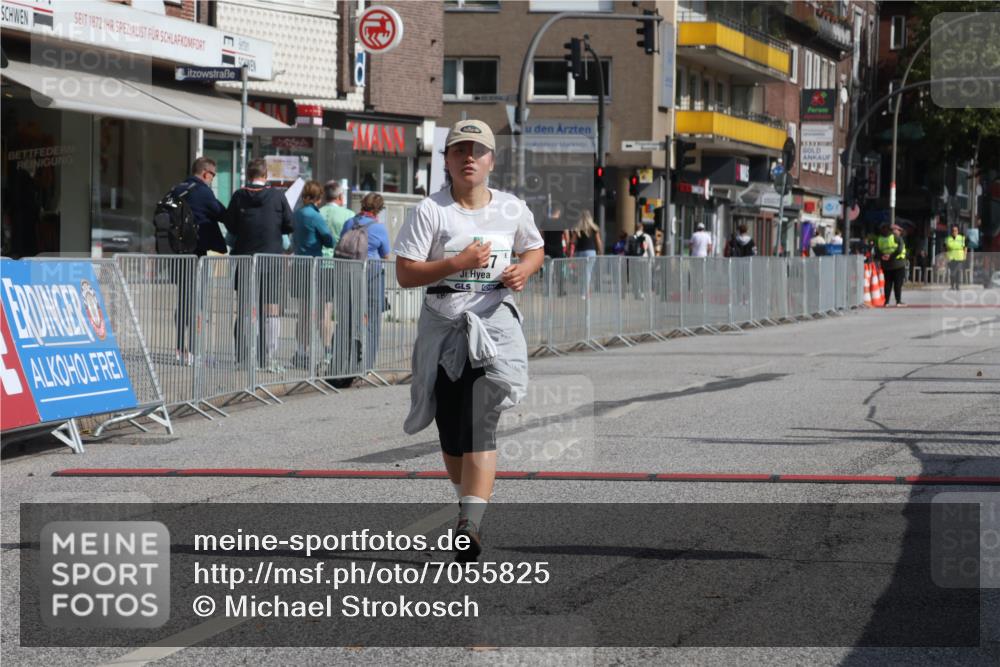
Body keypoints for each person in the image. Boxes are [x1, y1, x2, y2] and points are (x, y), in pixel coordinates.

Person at [393, 119, 544, 562]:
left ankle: (469, 524)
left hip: (493, 323)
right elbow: (405, 273)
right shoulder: (431, 211)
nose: (468, 158)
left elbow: (534, 248)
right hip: (444, 324)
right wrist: (457, 262)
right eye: (459, 150)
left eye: (477, 151)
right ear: (447, 160)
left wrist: (524, 269)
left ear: (491, 160)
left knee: (481, 418)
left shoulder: (512, 209)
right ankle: (467, 504)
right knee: (451, 428)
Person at [223, 158, 294, 370]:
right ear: (266, 176)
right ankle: (267, 358)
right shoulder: (277, 196)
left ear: (247, 174)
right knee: (270, 309)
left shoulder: (238, 196)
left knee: (245, 308)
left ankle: (243, 358)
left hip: (244, 259)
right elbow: (290, 224)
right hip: (271, 259)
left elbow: (230, 224)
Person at [170, 157, 227, 365]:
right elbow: (223, 214)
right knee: (196, 301)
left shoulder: (176, 189)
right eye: (213, 175)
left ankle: (179, 348)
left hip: (175, 254)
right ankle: (193, 352)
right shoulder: (203, 191)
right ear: (206, 173)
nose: (212, 179)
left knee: (183, 300)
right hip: (196, 254)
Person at [340, 193, 391, 371]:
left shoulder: (350, 223)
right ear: (378, 209)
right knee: (373, 319)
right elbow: (386, 254)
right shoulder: (379, 228)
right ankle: (367, 365)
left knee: (348, 317)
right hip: (372, 275)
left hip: (349, 273)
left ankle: (344, 362)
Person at [291, 180, 334, 368]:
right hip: (316, 266)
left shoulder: (297, 213)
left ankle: (301, 351)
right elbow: (329, 239)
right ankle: (327, 352)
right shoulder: (314, 216)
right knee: (324, 312)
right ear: (319, 198)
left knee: (303, 313)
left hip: (299, 265)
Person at [571, 210, 603, 298]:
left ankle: (584, 292)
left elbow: (573, 241)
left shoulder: (577, 228)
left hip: (579, 252)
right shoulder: (594, 228)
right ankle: (585, 293)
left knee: (582, 273)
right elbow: (598, 241)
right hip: (591, 252)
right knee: (588, 272)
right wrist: (600, 251)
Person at [876, 222, 907, 307]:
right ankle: (898, 301)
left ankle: (886, 302)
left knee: (888, 283)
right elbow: (900, 250)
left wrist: (883, 256)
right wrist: (891, 256)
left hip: (886, 264)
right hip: (898, 263)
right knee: (898, 283)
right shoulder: (896, 237)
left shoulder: (880, 239)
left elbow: (877, 251)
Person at [319, 181, 354, 255]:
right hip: (339, 258)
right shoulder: (349, 214)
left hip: (318, 258)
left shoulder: (317, 212)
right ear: (340, 196)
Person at [945, 224, 968, 290]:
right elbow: (947, 247)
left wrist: (965, 255)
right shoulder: (948, 239)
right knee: (952, 273)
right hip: (951, 258)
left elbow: (965, 247)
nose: (954, 232)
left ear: (958, 231)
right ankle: (952, 285)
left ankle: (957, 285)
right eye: (953, 231)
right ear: (951, 231)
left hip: (960, 258)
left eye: (955, 230)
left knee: (958, 272)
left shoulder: (961, 238)